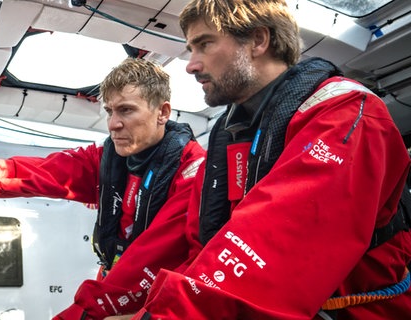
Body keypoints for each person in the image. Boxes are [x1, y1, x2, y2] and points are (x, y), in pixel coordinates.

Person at [117, 0, 411, 319]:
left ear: (258, 40)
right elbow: (202, 249)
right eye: (191, 49)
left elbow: (278, 243)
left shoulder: (346, 115)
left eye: (204, 44)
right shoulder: (228, 138)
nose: (191, 64)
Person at [0, 58, 206, 319]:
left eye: (126, 110)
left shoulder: (194, 172)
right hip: (111, 281)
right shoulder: (109, 161)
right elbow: (35, 173)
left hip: (154, 302)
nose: (112, 124)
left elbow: (153, 260)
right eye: (109, 111)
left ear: (162, 112)